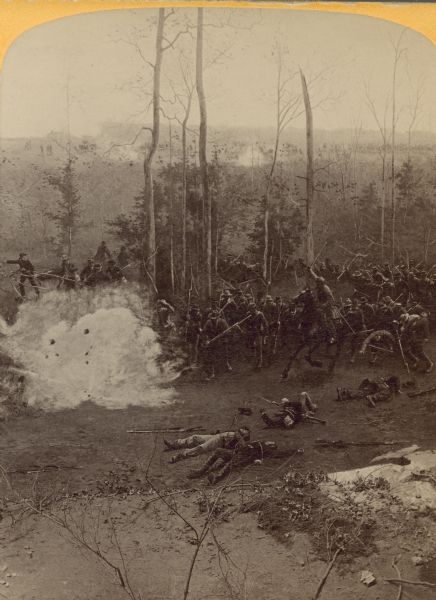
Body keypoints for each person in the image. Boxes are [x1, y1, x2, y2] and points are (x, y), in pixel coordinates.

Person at [164, 427, 251, 463]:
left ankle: (178, 456)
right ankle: (174, 444)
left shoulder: (239, 438)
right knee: (195, 438)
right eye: (244, 429)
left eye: (245, 431)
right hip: (216, 437)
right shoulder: (236, 432)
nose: (243, 430)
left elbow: (231, 445)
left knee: (200, 449)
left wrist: (241, 439)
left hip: (218, 442)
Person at [308, 266, 336, 343]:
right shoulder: (318, 285)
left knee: (328, 321)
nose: (317, 284)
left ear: (322, 283)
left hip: (327, 307)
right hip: (319, 305)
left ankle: (332, 336)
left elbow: (331, 299)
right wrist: (310, 270)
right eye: (317, 283)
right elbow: (315, 276)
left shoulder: (326, 289)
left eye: (318, 283)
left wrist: (324, 305)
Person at [202, 310, 231, 379]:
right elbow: (204, 332)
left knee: (224, 351)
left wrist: (223, 334)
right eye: (212, 318)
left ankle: (226, 364)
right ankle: (212, 373)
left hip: (222, 340)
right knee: (210, 355)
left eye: (215, 318)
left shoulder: (222, 321)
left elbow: (228, 331)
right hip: (212, 340)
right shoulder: (208, 322)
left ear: (218, 317)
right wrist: (207, 339)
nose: (213, 320)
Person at [245, 302, 268, 369]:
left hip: (258, 333)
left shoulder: (260, 314)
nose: (251, 310)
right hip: (251, 333)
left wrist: (265, 334)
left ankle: (259, 363)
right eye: (250, 309)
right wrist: (247, 330)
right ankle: (255, 362)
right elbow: (246, 324)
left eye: (252, 309)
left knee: (258, 348)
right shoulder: (248, 314)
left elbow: (265, 324)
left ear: (255, 308)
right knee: (252, 348)